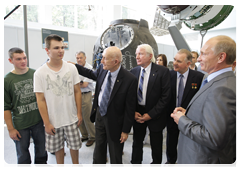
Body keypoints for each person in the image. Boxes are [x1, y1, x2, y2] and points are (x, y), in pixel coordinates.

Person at [171, 35, 238, 167]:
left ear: (221, 57)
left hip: (203, 161)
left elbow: (214, 138)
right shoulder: (215, 81)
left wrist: (182, 120)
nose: (199, 58)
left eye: (204, 54)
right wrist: (189, 113)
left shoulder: (223, 89)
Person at [72, 46, 138, 167]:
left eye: (104, 58)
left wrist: (125, 131)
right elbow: (90, 73)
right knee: (99, 150)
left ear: (115, 61)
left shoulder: (130, 79)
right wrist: (74, 66)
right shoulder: (103, 70)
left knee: (115, 153)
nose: (101, 61)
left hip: (116, 121)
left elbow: (130, 108)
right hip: (100, 116)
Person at [34, 34, 83, 167]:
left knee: (74, 146)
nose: (61, 50)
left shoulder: (71, 68)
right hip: (53, 120)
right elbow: (41, 100)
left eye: (62, 47)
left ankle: (76, 165)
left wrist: (79, 113)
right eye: (56, 48)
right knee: (58, 148)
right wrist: (46, 123)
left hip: (71, 117)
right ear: (47, 50)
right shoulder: (40, 73)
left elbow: (77, 91)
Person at [4, 47, 51, 167]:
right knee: (22, 151)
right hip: (20, 123)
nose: (23, 61)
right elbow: (5, 107)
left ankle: (42, 164)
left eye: (24, 58)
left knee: (41, 146)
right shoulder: (7, 80)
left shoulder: (35, 73)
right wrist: (10, 129)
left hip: (38, 120)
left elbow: (44, 97)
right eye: (18, 59)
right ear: (11, 61)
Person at [130, 44, 171, 167]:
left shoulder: (163, 72)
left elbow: (165, 97)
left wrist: (151, 114)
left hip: (155, 114)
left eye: (140, 54)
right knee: (137, 141)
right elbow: (130, 95)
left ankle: (156, 164)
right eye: (136, 54)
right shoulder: (134, 71)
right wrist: (133, 112)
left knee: (156, 143)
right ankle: (136, 164)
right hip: (138, 112)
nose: (137, 57)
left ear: (150, 56)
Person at [163, 49, 204, 167]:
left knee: (188, 141)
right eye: (174, 59)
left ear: (188, 64)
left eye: (179, 61)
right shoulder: (168, 75)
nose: (174, 63)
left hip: (189, 117)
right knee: (171, 140)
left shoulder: (198, 77)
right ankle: (171, 160)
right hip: (171, 115)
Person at [75, 51, 96, 147]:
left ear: (85, 58)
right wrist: (79, 83)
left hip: (86, 95)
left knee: (87, 117)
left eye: (81, 58)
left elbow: (84, 85)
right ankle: (84, 135)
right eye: (77, 58)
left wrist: (78, 83)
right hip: (76, 95)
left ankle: (92, 136)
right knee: (79, 117)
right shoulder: (74, 68)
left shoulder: (89, 69)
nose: (79, 59)